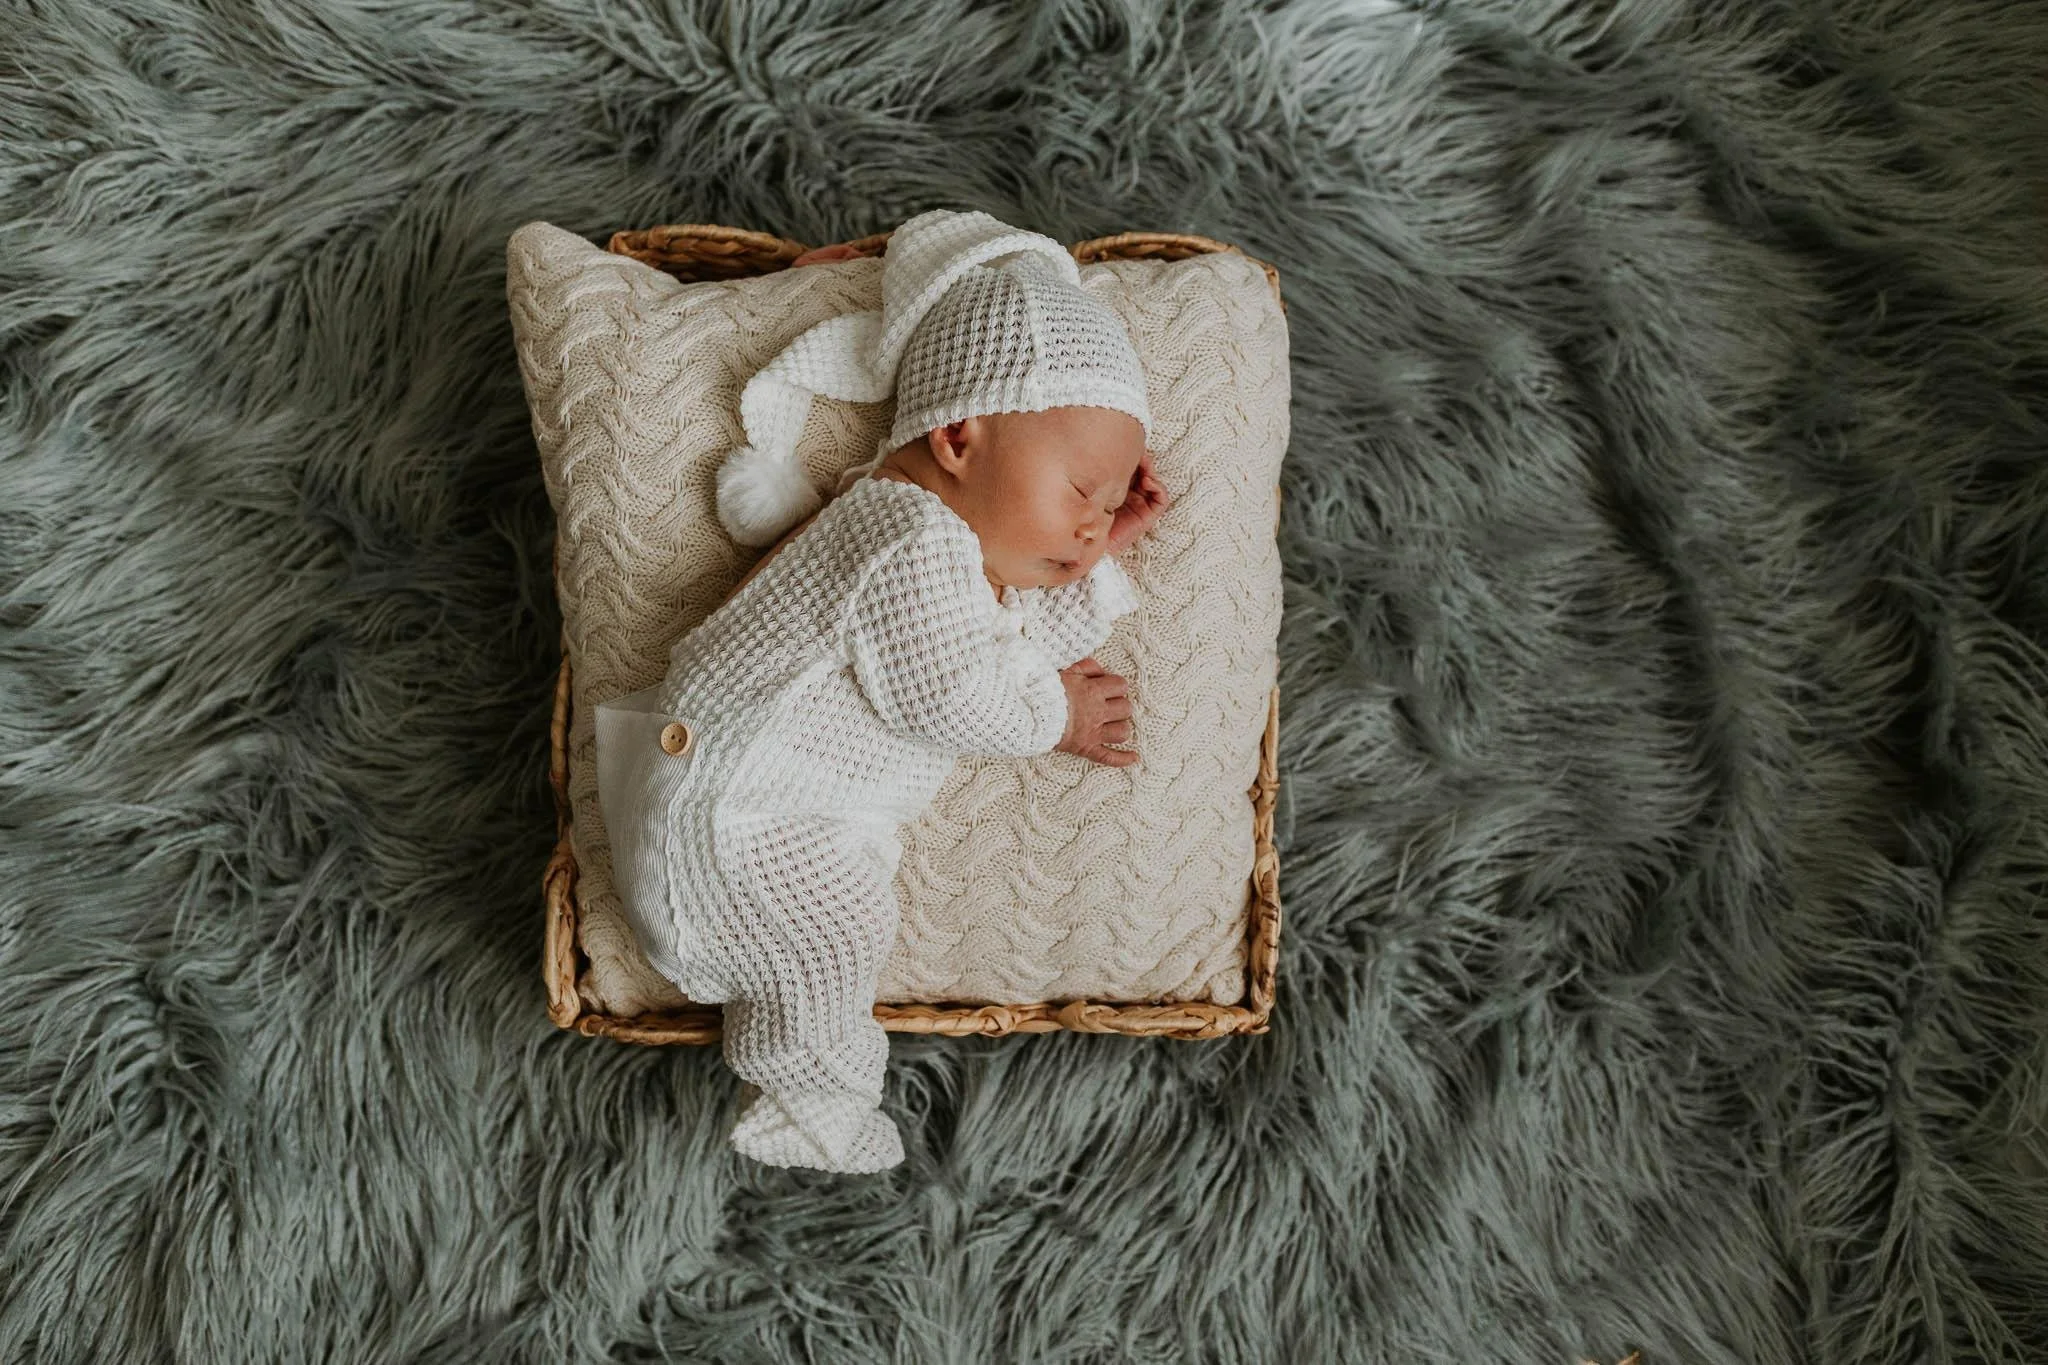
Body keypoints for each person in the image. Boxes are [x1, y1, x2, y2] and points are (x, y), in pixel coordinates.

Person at [593, 208, 1171, 1173]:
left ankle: (805, 1073)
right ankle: (811, 1099)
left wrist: (1100, 548)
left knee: (843, 926)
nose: (1089, 524)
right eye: (1081, 491)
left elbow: (1008, 623)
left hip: (762, 817)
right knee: (829, 944)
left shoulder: (945, 543)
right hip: (739, 824)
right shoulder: (900, 539)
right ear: (957, 433)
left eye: (1106, 504)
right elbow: (958, 697)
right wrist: (1056, 713)